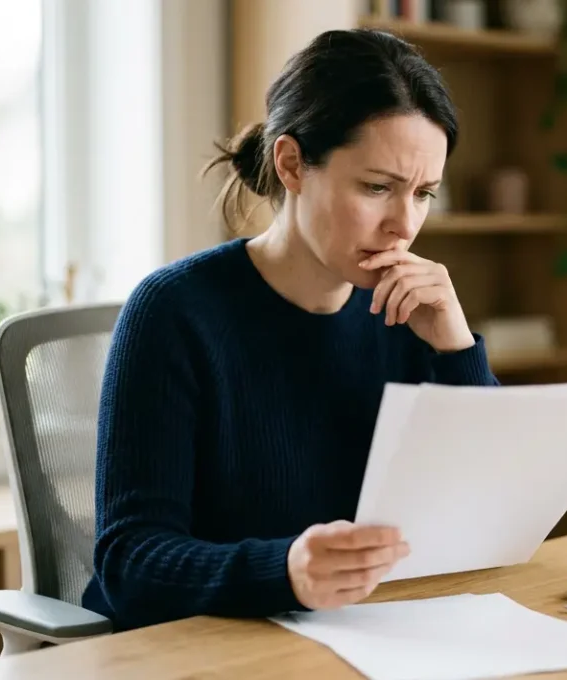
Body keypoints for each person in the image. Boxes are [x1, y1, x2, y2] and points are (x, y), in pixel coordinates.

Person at [79, 28, 501, 632]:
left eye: (424, 193)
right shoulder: (174, 312)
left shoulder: (412, 314)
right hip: (207, 650)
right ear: (292, 164)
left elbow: (488, 515)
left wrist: (456, 350)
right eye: (377, 187)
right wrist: (283, 571)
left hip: (359, 637)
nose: (404, 224)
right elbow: (129, 563)